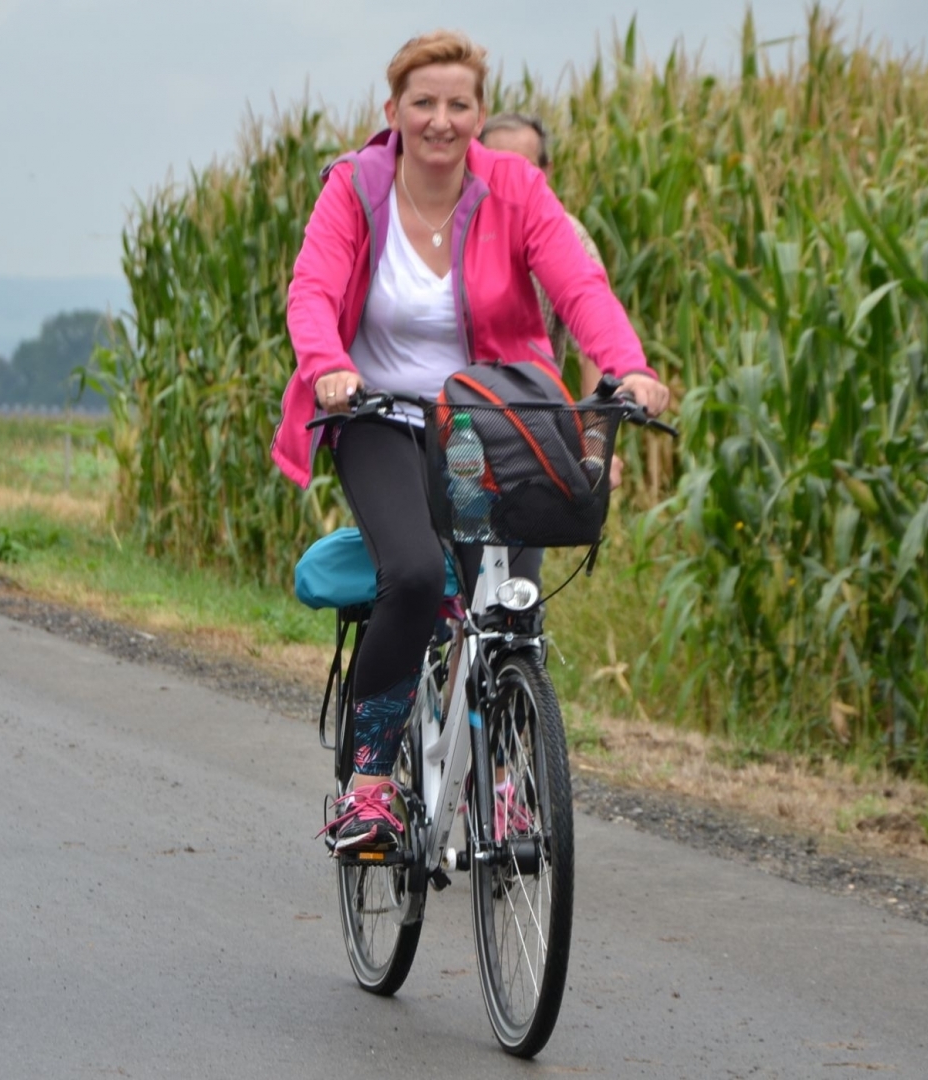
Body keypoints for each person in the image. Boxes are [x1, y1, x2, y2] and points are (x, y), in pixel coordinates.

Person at [275, 30, 672, 852]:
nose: (442, 120)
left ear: (479, 113)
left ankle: (506, 788)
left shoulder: (515, 189)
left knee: (508, 611)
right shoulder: (355, 188)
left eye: (459, 104)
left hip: (488, 424)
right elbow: (313, 289)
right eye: (424, 102)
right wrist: (328, 367)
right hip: (379, 414)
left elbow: (578, 283)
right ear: (393, 112)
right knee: (416, 577)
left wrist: (625, 367)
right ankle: (371, 785)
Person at [478, 112, 607, 398]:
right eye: (496, 166)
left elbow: (594, 345)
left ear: (547, 171)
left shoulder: (569, 234)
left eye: (524, 167)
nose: (510, 178)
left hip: (535, 413)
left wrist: (593, 436)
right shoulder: (449, 229)